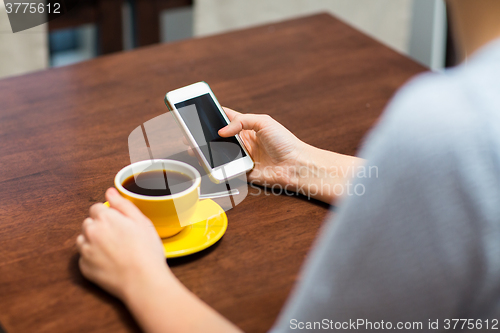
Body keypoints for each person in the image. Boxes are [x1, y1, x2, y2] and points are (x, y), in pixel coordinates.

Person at [76, 0, 500, 331]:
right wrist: (295, 165)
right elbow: (456, 197)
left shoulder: (448, 123)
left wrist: (139, 276)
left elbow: (453, 168)